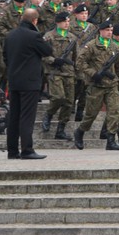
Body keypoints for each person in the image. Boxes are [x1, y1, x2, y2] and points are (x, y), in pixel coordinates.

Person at [3, 8, 53, 160]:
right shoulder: (34, 35)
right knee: (27, 117)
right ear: (34, 21)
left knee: (14, 116)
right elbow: (47, 51)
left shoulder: (10, 35)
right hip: (29, 83)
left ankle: (12, 151)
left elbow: (4, 57)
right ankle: (27, 150)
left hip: (14, 81)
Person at [74, 20, 119, 151]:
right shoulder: (91, 46)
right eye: (107, 30)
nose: (109, 33)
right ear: (100, 31)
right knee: (91, 115)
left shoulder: (114, 47)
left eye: (111, 31)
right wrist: (93, 73)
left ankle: (111, 140)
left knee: (114, 112)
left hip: (111, 85)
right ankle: (80, 132)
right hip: (96, 85)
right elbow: (80, 63)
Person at [41, 11, 77, 141]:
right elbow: (43, 54)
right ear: (58, 22)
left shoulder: (72, 38)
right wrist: (54, 61)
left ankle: (61, 129)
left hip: (69, 72)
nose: (67, 24)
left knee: (69, 102)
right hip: (54, 71)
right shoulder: (49, 36)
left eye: (68, 21)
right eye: (64, 21)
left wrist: (76, 71)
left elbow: (76, 56)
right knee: (58, 97)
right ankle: (49, 114)